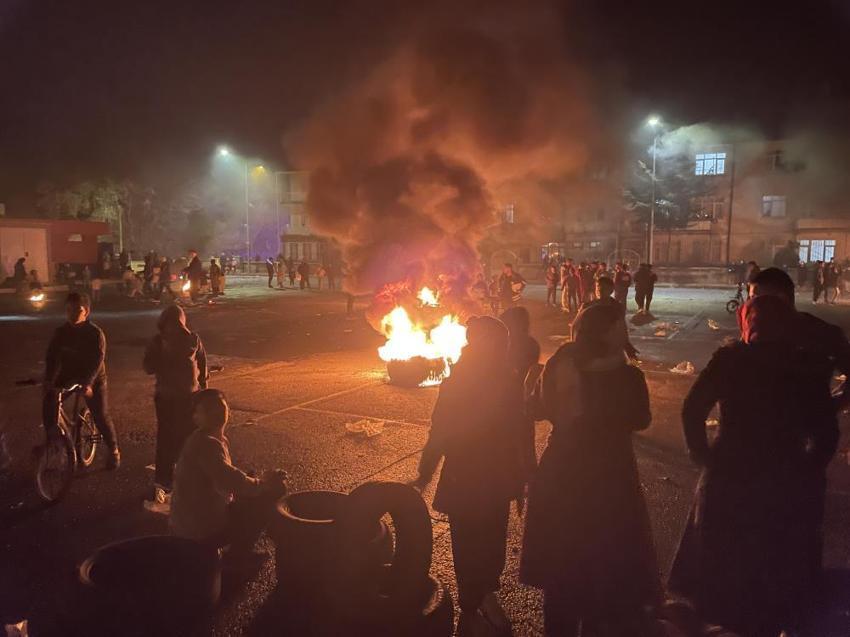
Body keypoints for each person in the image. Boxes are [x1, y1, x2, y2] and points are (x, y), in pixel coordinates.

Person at [669, 294, 839, 636]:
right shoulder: (806, 365)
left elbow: (692, 409)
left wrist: (703, 456)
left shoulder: (730, 359)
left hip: (730, 474)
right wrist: (807, 469)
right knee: (774, 574)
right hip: (784, 477)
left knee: (725, 570)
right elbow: (826, 432)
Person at [521, 303, 659, 636]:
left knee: (561, 566)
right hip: (609, 476)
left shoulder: (559, 364)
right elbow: (641, 419)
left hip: (561, 470)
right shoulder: (627, 376)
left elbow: (537, 409)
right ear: (610, 332)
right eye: (620, 326)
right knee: (603, 564)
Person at [412, 317, 532, 634]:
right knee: (468, 542)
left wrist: (522, 477)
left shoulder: (508, 379)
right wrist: (425, 471)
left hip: (495, 476)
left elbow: (521, 430)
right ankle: (470, 604)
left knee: (491, 540)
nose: (507, 347)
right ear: (489, 345)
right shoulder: (458, 382)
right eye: (503, 342)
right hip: (466, 476)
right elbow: (440, 430)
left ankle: (485, 593)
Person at [170, 389, 287, 561]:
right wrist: (265, 483)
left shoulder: (211, 438)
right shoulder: (206, 444)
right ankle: (238, 556)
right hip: (199, 530)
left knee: (254, 485)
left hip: (197, 520)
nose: (215, 412)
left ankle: (237, 548)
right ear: (196, 417)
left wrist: (257, 481)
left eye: (219, 406)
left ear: (227, 410)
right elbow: (232, 481)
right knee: (272, 492)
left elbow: (229, 478)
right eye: (207, 409)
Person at [43, 292, 120, 469]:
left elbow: (97, 361)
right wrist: (48, 380)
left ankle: (114, 450)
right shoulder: (61, 333)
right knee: (49, 400)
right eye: (68, 310)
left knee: (100, 415)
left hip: (93, 378)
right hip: (68, 375)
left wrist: (88, 383)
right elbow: (52, 358)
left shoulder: (95, 333)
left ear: (86, 311)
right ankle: (53, 441)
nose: (72, 314)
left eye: (77, 310)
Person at [143, 305, 208, 510]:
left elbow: (148, 367)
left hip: (178, 397)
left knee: (176, 438)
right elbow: (149, 366)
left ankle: (172, 478)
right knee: (178, 438)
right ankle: (174, 479)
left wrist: (204, 385)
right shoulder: (182, 340)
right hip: (178, 397)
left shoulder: (183, 340)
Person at [577, 276, 639, 360]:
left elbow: (621, 328)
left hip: (610, 348)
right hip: (591, 347)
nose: (600, 290)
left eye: (604, 287)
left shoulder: (617, 307)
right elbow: (576, 327)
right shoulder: (587, 306)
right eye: (598, 286)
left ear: (611, 290)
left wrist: (627, 346)